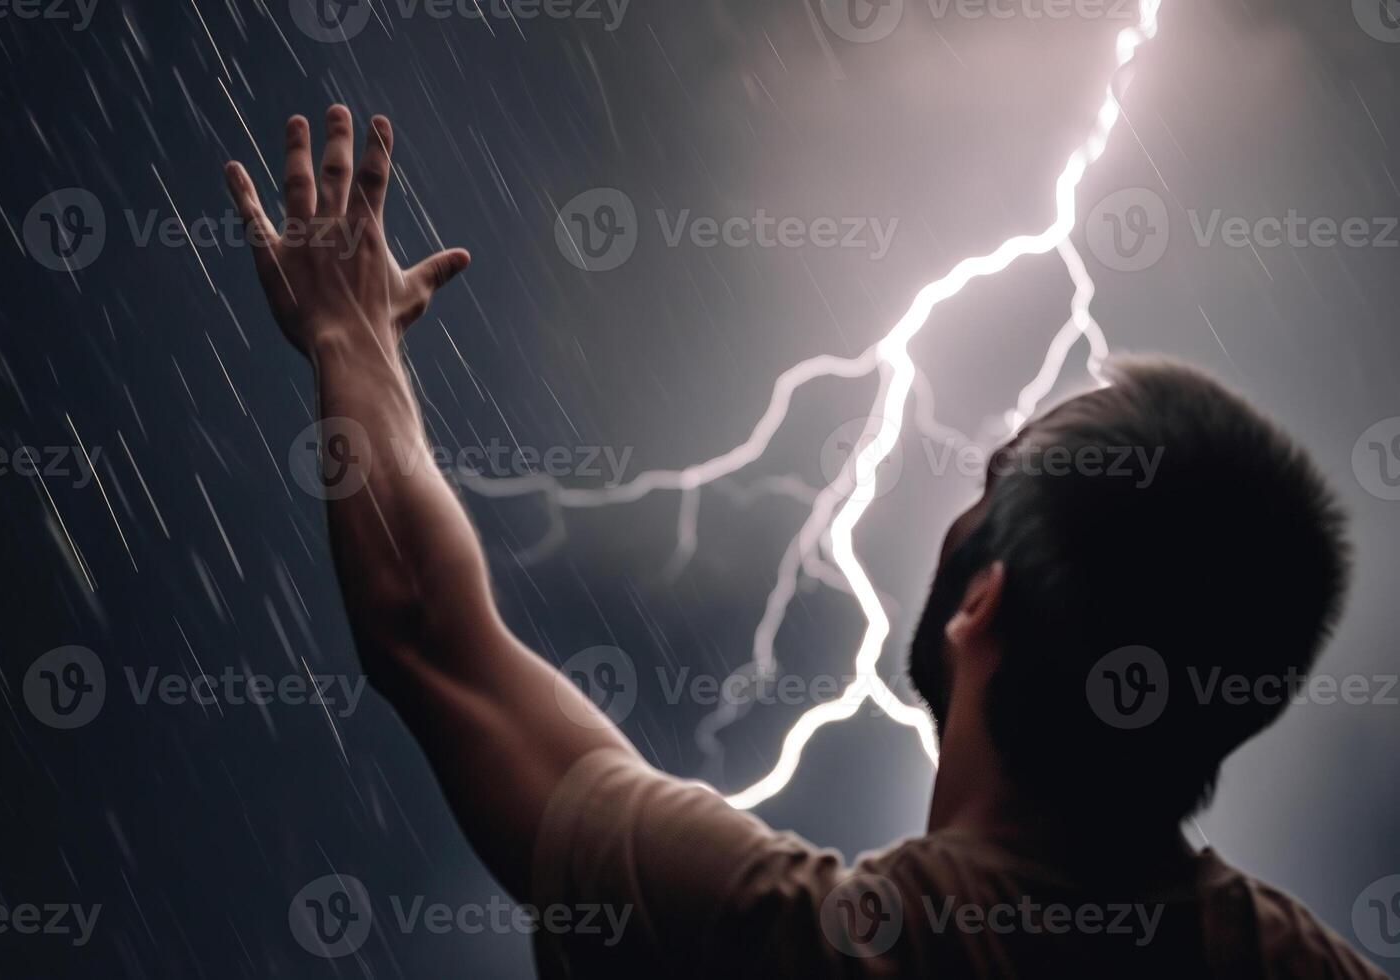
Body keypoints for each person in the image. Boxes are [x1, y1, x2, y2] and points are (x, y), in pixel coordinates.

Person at [224, 106, 1387, 978]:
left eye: (988, 488)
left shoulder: (793, 943)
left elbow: (429, 634)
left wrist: (348, 333)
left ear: (983, 604)